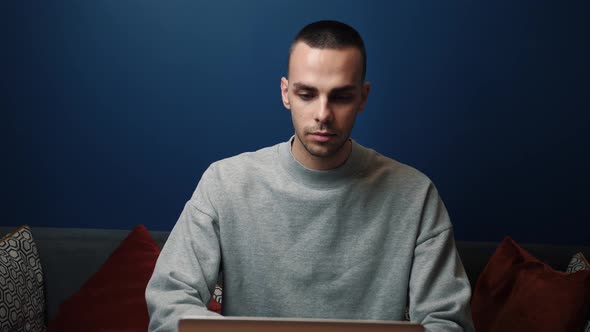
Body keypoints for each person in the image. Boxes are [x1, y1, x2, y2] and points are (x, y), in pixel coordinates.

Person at [146, 20, 475, 332]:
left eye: (341, 96)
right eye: (307, 94)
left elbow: (447, 322)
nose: (323, 114)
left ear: (363, 97)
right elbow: (169, 301)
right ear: (286, 93)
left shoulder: (415, 195)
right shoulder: (225, 183)